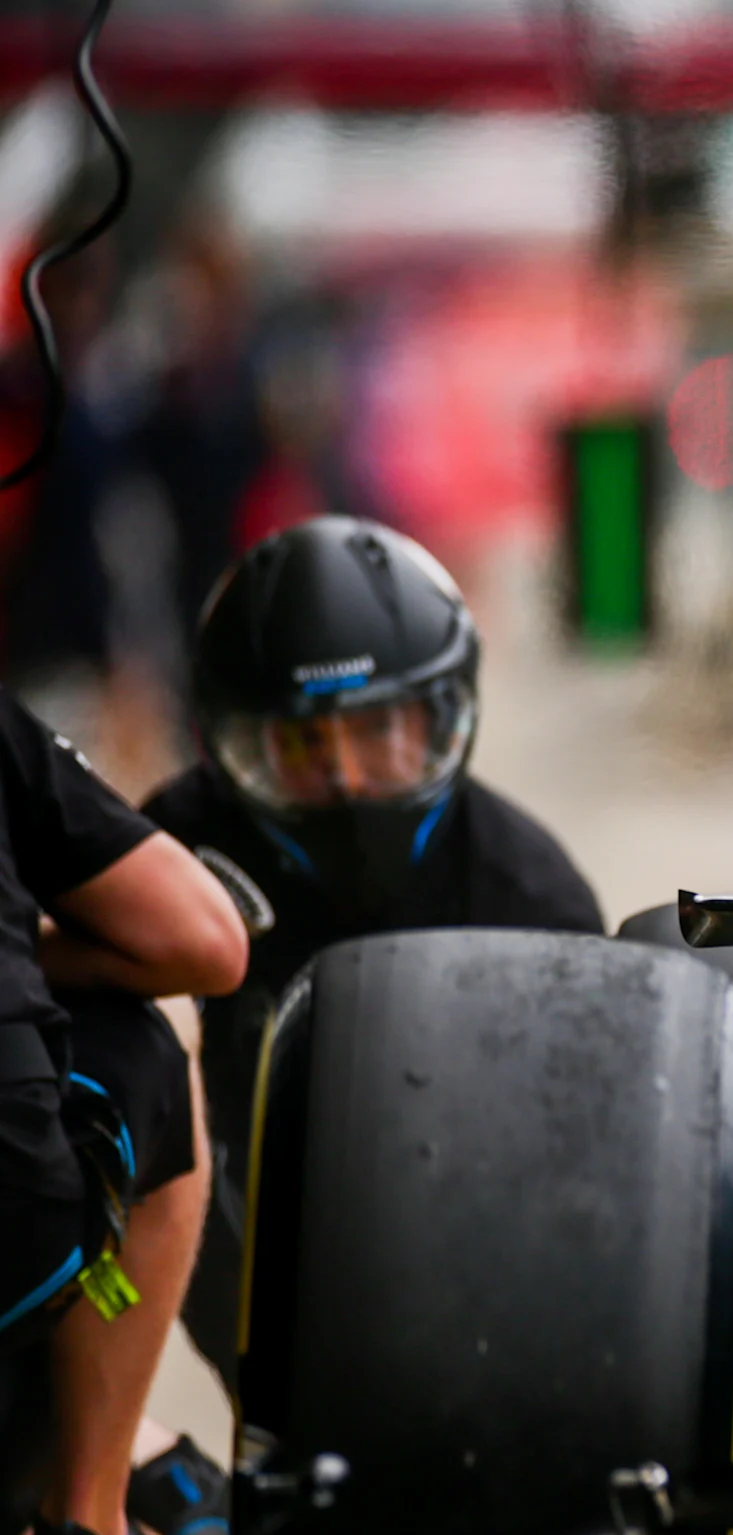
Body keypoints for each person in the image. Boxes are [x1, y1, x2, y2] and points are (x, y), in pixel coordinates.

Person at [148, 519, 601, 1412]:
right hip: (242, 1284)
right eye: (306, 748)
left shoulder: (533, 897)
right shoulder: (168, 870)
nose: (349, 779)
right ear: (235, 743)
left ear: (443, 718)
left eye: (379, 731)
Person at [0, 697, 248, 1535]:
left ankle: (127, 1513)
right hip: (24, 1236)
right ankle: (88, 1531)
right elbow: (206, 943)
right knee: (147, 1039)